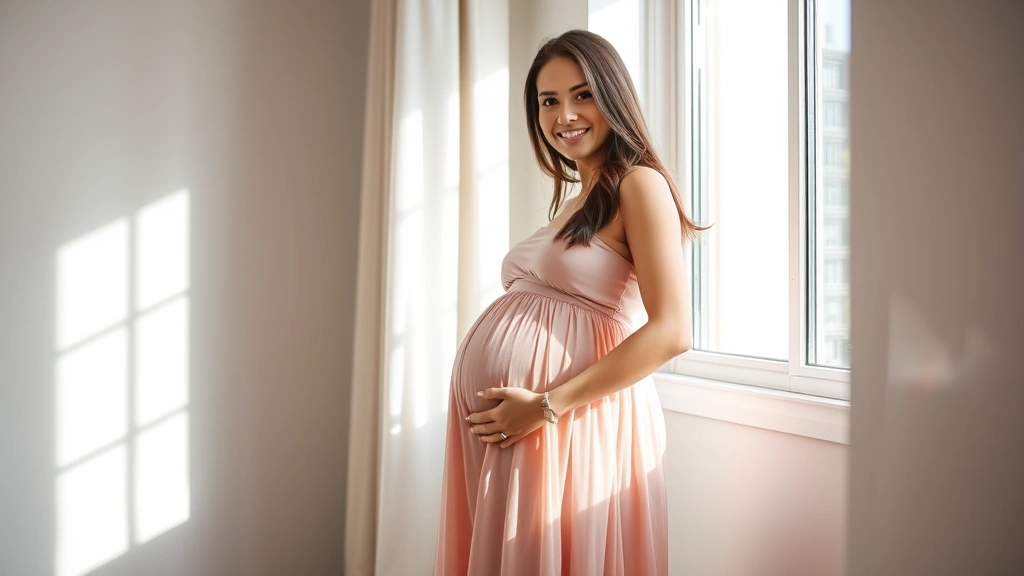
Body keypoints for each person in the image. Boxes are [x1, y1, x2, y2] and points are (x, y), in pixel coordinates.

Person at [434, 29, 703, 576]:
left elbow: (673, 329)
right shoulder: (577, 199)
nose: (565, 114)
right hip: (527, 427)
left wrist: (547, 405)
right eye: (548, 101)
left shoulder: (639, 184)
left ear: (613, 96)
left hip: (569, 424)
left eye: (582, 94)